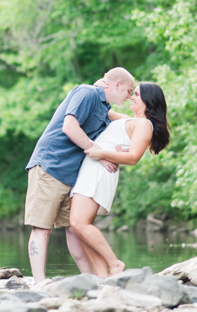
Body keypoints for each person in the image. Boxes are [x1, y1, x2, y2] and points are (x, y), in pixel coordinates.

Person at [24, 67, 135, 284]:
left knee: (75, 228)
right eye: (129, 91)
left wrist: (120, 148)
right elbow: (69, 127)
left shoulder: (104, 108)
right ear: (116, 85)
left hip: (72, 174)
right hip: (50, 165)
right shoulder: (87, 93)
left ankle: (90, 280)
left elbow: (127, 122)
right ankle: (40, 283)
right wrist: (100, 155)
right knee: (42, 227)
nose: (129, 96)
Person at [68, 81, 171, 277]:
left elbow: (133, 157)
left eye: (137, 94)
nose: (132, 96)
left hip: (99, 171)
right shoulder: (129, 120)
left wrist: (101, 153)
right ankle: (102, 275)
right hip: (92, 168)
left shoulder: (145, 125)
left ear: (149, 101)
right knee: (78, 227)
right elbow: (101, 110)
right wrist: (101, 85)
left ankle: (115, 264)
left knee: (79, 223)